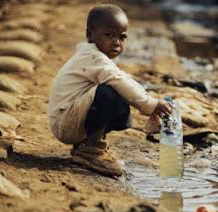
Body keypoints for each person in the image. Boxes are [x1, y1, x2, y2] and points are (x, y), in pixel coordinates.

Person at [48, 4, 172, 177]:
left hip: (71, 119)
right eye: (109, 35)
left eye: (122, 37)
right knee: (110, 92)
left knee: (119, 90)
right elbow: (118, 80)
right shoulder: (92, 57)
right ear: (90, 34)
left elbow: (124, 79)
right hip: (64, 123)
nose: (116, 42)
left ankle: (85, 146)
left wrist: (149, 100)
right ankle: (91, 151)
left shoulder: (99, 58)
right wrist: (149, 105)